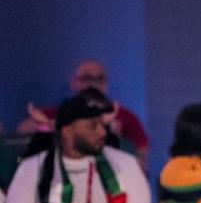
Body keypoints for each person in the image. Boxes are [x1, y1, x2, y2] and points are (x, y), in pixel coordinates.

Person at [6, 93, 152, 203]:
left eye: (102, 125)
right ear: (67, 131)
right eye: (92, 127)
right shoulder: (33, 168)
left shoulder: (124, 162)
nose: (102, 132)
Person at [19, 60, 150, 165]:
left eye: (99, 79)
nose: (93, 84)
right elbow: (23, 132)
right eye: (86, 78)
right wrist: (49, 125)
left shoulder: (126, 117)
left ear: (106, 84)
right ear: (73, 82)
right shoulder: (58, 113)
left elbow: (143, 156)